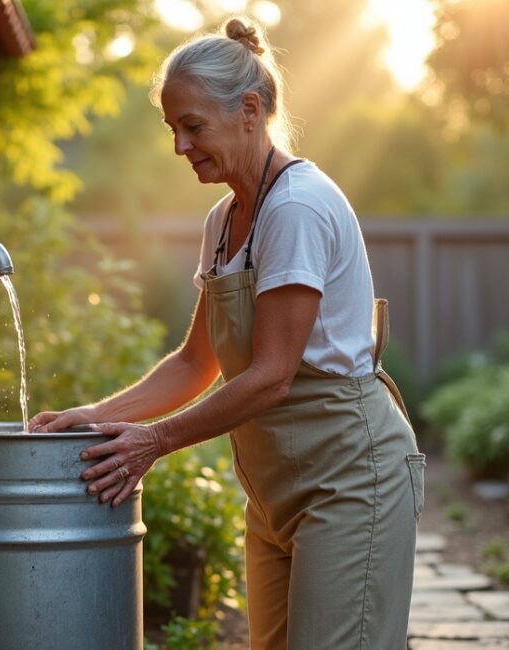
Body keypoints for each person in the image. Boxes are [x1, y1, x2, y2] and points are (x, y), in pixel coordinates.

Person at [29, 17, 424, 650]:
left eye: (193, 126)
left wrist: (153, 441)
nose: (181, 146)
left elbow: (271, 375)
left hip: (349, 480)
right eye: (173, 130)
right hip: (274, 492)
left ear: (248, 111)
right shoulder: (224, 218)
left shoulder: (295, 207)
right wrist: (98, 416)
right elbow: (195, 363)